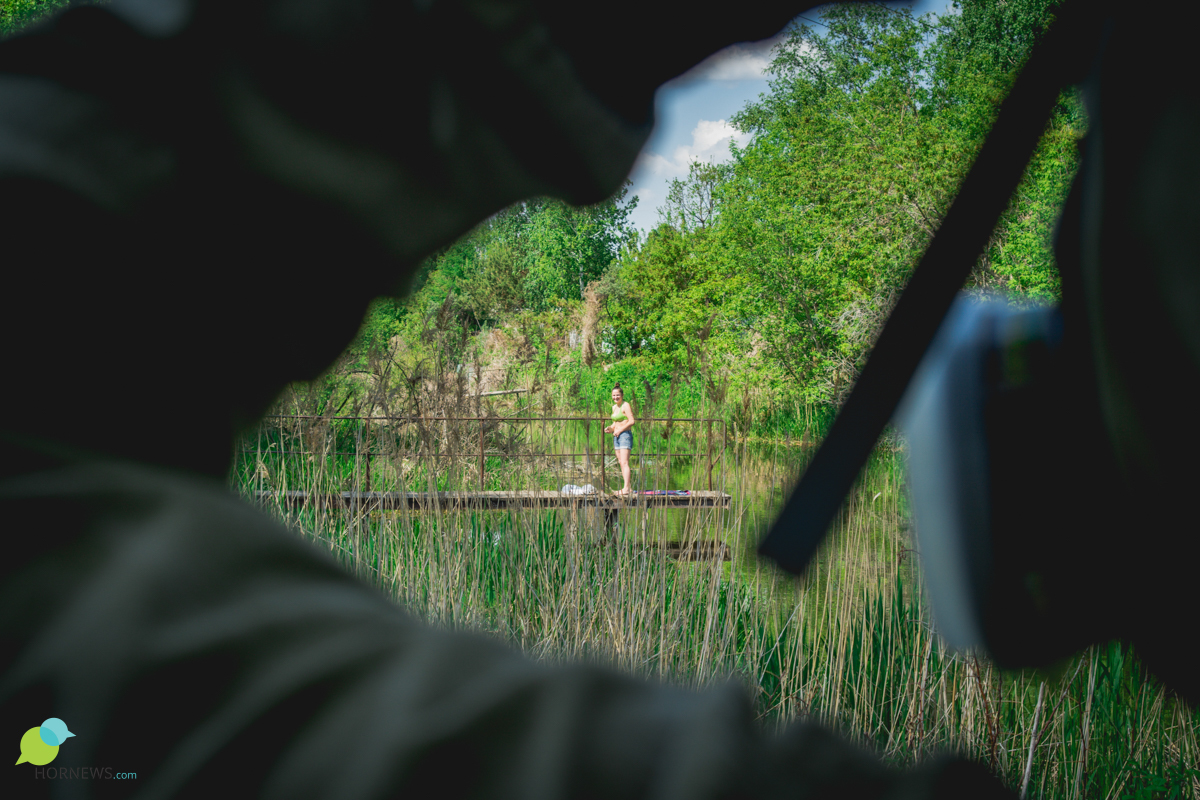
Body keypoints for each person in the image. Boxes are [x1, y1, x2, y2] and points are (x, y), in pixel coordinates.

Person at [603, 383, 636, 495]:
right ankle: (627, 488)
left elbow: (631, 421)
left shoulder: (625, 405)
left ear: (622, 395)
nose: (615, 397)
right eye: (613, 395)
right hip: (616, 436)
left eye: (617, 395)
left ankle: (626, 488)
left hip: (625, 435)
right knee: (621, 462)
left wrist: (620, 430)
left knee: (625, 462)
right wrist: (610, 428)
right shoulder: (614, 407)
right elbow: (615, 423)